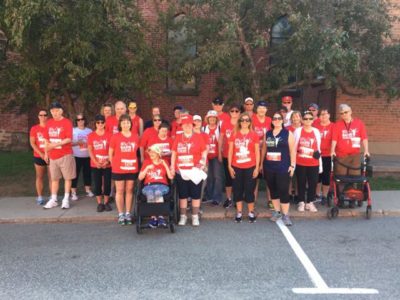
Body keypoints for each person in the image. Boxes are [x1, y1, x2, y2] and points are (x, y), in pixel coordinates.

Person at [171, 114, 208, 227]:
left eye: (189, 124)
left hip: (194, 170)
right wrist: (172, 167)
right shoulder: (178, 137)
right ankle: (183, 216)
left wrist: (202, 163)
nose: (187, 126)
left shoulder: (198, 137)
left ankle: (195, 216)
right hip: (181, 170)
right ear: (182, 126)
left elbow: (204, 151)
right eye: (185, 124)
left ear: (192, 125)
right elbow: (174, 153)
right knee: (183, 195)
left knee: (196, 194)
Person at [331, 104, 369, 207]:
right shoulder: (337, 125)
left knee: (354, 177)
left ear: (350, 111)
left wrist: (366, 150)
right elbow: (334, 139)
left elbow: (364, 138)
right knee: (341, 177)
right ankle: (341, 197)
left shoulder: (359, 123)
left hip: (355, 155)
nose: (344, 114)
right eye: (341, 113)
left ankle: (353, 197)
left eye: (346, 112)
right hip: (341, 155)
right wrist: (332, 150)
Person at [261, 111, 296, 225]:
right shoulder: (268, 133)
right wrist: (261, 164)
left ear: (282, 120)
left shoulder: (288, 133)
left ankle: (285, 215)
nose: (276, 120)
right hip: (269, 167)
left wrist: (292, 165)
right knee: (273, 190)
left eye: (278, 118)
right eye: (274, 118)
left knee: (283, 190)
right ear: (272, 121)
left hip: (283, 167)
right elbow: (264, 150)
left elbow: (292, 151)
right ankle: (277, 212)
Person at [43, 102, 76, 209]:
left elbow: (68, 139)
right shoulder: (49, 123)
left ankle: (66, 199)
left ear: (61, 111)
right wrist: (46, 152)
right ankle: (54, 199)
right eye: (52, 111)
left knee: (67, 178)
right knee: (54, 179)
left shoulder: (67, 122)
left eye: (57, 110)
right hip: (53, 156)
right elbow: (46, 139)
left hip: (65, 154)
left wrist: (55, 144)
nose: (55, 113)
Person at [228, 112, 260, 223]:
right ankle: (239, 212)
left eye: (247, 120)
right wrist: (229, 166)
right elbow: (230, 151)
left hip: (250, 166)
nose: (245, 122)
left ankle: (251, 212)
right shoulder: (234, 133)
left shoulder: (254, 134)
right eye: (243, 120)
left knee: (249, 190)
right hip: (236, 166)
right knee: (237, 190)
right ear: (239, 122)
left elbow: (257, 152)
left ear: (250, 122)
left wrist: (257, 168)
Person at [109, 114, 140, 225]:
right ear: (120, 124)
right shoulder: (115, 136)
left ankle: (128, 213)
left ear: (130, 124)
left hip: (132, 167)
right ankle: (121, 214)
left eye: (127, 122)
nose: (126, 124)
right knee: (120, 190)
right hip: (119, 168)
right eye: (123, 123)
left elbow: (139, 151)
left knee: (130, 190)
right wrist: (114, 165)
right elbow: (110, 153)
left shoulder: (136, 136)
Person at [138, 144, 174, 228]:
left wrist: (165, 165)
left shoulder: (164, 162)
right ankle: (153, 217)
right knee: (150, 193)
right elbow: (140, 178)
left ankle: (160, 216)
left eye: (153, 153)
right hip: (149, 185)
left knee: (158, 192)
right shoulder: (146, 162)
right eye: (150, 153)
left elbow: (170, 177)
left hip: (162, 185)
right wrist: (146, 168)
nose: (151, 154)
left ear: (158, 153)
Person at [294, 111, 322, 213]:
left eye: (310, 118)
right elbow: (294, 146)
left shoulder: (316, 131)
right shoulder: (298, 131)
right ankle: (301, 201)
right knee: (301, 183)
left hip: (313, 163)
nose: (308, 120)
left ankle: (310, 202)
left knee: (313, 183)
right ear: (302, 120)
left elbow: (318, 147)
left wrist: (320, 162)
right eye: (305, 119)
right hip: (300, 162)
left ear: (313, 120)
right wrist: (293, 162)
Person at [88, 115, 113, 212]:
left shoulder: (110, 135)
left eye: (102, 122)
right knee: (97, 183)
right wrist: (96, 162)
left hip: (107, 164)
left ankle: (106, 202)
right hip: (96, 164)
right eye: (98, 122)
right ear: (95, 124)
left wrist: (108, 161)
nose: (100, 124)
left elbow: (112, 150)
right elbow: (90, 150)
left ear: (105, 124)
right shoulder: (91, 135)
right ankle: (99, 203)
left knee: (107, 183)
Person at [219, 103, 241, 208]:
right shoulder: (225, 123)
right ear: (229, 112)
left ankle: (238, 199)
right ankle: (229, 199)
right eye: (232, 111)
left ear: (240, 113)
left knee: (237, 178)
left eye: (236, 111)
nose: (234, 113)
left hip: (239, 156)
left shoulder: (242, 124)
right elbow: (221, 138)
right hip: (227, 155)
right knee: (228, 178)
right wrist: (219, 152)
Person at [252, 100, 272, 206]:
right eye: (260, 108)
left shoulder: (269, 120)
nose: (262, 110)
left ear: (266, 110)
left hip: (267, 152)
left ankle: (270, 200)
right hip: (255, 152)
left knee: (269, 177)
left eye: (264, 108)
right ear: (257, 109)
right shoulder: (252, 119)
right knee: (255, 177)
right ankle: (253, 200)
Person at [30, 109, 51, 205]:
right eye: (41, 115)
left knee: (52, 177)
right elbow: (32, 143)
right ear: (38, 116)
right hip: (39, 155)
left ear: (47, 116)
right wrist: (41, 154)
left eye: (45, 115)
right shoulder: (34, 128)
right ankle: (40, 197)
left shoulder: (51, 127)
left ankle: (52, 197)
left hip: (51, 155)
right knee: (39, 177)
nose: (43, 117)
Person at [314, 108, 334, 205]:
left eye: (325, 114)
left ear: (329, 115)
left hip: (328, 155)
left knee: (326, 176)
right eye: (322, 114)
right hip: (317, 155)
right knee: (317, 176)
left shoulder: (333, 126)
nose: (323, 116)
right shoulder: (315, 126)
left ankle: (325, 196)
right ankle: (317, 194)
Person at [202, 110, 223, 206]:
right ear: (207, 119)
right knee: (208, 177)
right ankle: (208, 195)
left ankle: (217, 198)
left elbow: (221, 142)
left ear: (216, 119)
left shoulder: (219, 128)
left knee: (217, 177)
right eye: (210, 118)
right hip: (206, 156)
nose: (212, 119)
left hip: (216, 155)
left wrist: (219, 154)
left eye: (214, 118)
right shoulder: (204, 128)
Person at [71, 113, 93, 201]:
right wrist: (77, 143)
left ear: (84, 120)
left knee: (87, 174)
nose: (80, 121)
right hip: (76, 156)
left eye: (82, 119)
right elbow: (69, 143)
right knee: (75, 174)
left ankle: (88, 190)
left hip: (87, 156)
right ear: (76, 122)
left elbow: (92, 143)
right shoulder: (73, 131)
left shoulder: (89, 131)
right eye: (78, 120)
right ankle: (73, 192)